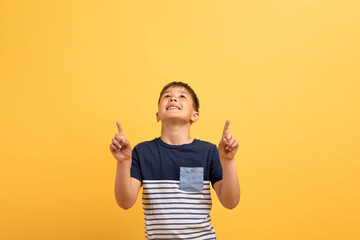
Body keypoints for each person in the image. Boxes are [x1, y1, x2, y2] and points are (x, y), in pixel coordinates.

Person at [110, 81, 240, 239]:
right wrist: (123, 162)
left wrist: (228, 161)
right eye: (167, 96)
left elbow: (230, 202)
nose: (173, 99)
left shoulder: (208, 151)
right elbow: (125, 202)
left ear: (195, 115)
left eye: (182, 96)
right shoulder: (141, 152)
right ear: (157, 115)